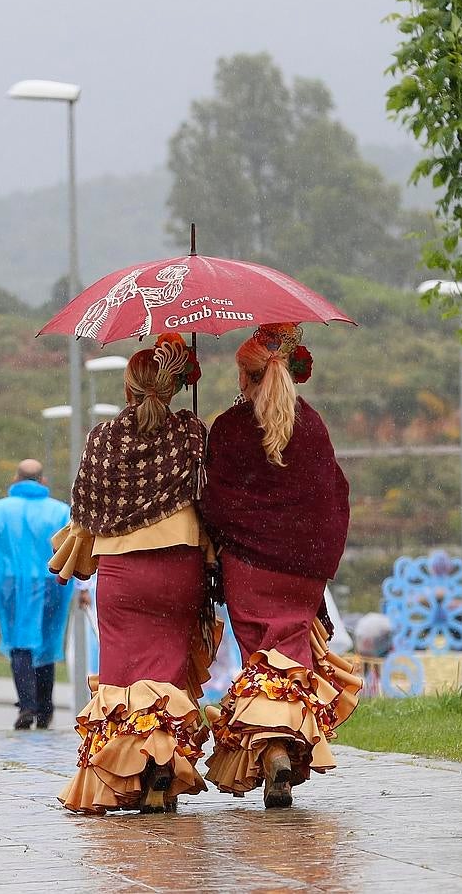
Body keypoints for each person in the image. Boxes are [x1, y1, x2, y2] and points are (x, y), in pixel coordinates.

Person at [49, 334, 215, 815]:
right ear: (173, 388)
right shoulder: (190, 434)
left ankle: (130, 772)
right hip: (180, 566)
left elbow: (86, 506)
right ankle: (162, 765)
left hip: (123, 571)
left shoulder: (103, 439)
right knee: (167, 670)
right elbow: (208, 495)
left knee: (122, 678)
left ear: (127, 389)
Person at [199, 323, 362, 810]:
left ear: (245, 378)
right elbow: (334, 494)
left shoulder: (228, 427)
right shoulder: (312, 426)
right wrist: (312, 555)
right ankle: (286, 748)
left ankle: (272, 750)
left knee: (261, 659)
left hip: (250, 563)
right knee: (292, 655)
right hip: (303, 568)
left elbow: (214, 501)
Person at [0, 459, 72, 730]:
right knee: (46, 642)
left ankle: (26, 705)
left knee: (18, 642)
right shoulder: (60, 511)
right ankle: (45, 708)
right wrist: (82, 587)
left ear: (16, 479)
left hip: (10, 585)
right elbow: (74, 548)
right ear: (43, 481)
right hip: (52, 583)